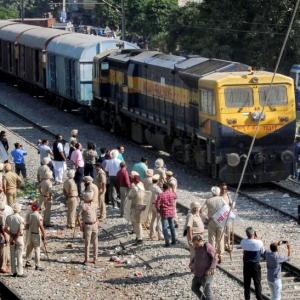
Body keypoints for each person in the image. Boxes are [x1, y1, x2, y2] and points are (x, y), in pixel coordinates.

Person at [201, 186, 225, 262]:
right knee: (220, 239)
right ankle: (220, 255)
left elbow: (201, 210)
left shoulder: (208, 200)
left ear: (212, 193)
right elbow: (227, 208)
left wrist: (206, 218)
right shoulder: (222, 199)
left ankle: (212, 254)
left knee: (212, 239)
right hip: (221, 221)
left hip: (211, 221)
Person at [240, 227, 265, 300]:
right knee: (257, 283)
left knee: (247, 284)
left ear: (246, 234)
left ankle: (247, 298)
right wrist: (257, 238)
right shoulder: (259, 242)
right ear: (254, 233)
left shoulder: (243, 241)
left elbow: (243, 243)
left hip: (246, 265)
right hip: (255, 265)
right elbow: (263, 251)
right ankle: (259, 298)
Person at [190, 235, 217, 300]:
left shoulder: (207, 247)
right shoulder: (197, 247)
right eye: (194, 244)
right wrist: (192, 262)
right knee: (194, 288)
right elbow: (197, 256)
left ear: (201, 241)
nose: (195, 246)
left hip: (206, 274)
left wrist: (212, 268)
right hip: (198, 273)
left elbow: (215, 258)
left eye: (196, 244)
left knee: (207, 292)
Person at [4, 203, 26, 277]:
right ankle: (20, 272)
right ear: (19, 209)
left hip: (11, 237)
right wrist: (15, 238)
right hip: (19, 238)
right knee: (19, 256)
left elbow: (5, 229)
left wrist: (11, 235)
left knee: (12, 255)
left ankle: (14, 272)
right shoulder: (21, 218)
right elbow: (20, 231)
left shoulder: (8, 217)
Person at [79, 188, 98, 264]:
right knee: (93, 242)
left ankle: (89, 259)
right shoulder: (94, 204)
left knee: (88, 243)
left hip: (89, 225)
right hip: (92, 224)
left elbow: (78, 216)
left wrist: (80, 225)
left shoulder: (83, 206)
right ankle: (93, 259)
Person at [25, 202, 46, 271]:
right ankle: (37, 265)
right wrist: (44, 235)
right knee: (37, 249)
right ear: (38, 208)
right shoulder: (39, 216)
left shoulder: (31, 215)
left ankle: (28, 262)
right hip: (37, 234)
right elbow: (41, 226)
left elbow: (27, 225)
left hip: (30, 233)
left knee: (29, 248)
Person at [155, 183, 177, 247]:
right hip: (171, 212)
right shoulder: (172, 194)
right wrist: (172, 189)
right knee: (172, 227)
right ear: (168, 188)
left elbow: (157, 205)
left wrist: (159, 211)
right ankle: (174, 240)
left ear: (163, 188)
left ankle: (167, 243)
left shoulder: (161, 195)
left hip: (164, 213)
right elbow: (176, 196)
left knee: (164, 228)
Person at [128, 171, 145, 244]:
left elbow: (129, 197)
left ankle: (139, 238)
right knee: (139, 223)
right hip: (141, 205)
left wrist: (131, 188)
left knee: (136, 223)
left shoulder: (134, 188)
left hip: (135, 207)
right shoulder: (141, 185)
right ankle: (138, 236)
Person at [220, 183, 234, 251]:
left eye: (225, 189)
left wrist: (232, 205)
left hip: (227, 216)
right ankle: (222, 245)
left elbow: (231, 204)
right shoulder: (218, 196)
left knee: (228, 231)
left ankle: (228, 244)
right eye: (223, 189)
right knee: (221, 231)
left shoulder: (228, 195)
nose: (224, 190)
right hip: (221, 216)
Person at [149, 174, 163, 240]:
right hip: (157, 205)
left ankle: (152, 234)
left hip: (151, 205)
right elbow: (162, 195)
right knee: (159, 221)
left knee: (153, 220)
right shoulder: (157, 188)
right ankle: (160, 235)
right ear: (157, 181)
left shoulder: (150, 186)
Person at [0, 201, 9, 273]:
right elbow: (2, 228)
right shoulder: (1, 216)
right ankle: (3, 267)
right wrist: (6, 236)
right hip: (1, 235)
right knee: (3, 250)